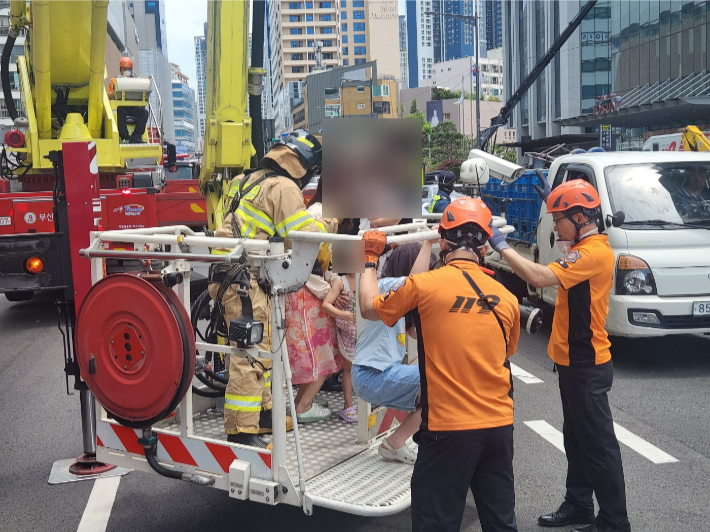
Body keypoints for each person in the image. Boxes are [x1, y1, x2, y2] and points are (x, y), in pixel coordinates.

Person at [360, 197, 521, 532]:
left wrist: (370, 260)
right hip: (498, 428)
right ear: (485, 248)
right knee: (501, 522)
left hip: (449, 429)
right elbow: (508, 350)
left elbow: (368, 308)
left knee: (436, 521)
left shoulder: (426, 286)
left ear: (443, 242)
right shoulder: (506, 298)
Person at [488, 178, 630, 532]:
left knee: (597, 445)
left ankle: (615, 520)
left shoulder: (592, 252)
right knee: (577, 439)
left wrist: (502, 247)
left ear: (580, 216)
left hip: (587, 363)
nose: (554, 226)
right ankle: (579, 504)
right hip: (572, 362)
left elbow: (538, 276)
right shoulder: (581, 246)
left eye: (559, 218)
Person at [209, 129, 330, 449]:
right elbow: (301, 236)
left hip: (229, 275)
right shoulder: (283, 187)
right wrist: (326, 222)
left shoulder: (244, 181)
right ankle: (241, 429)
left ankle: (262, 415)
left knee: (262, 347)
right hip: (244, 280)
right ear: (303, 165)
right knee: (250, 354)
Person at [351, 241, 437, 464]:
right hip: (372, 374)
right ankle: (394, 444)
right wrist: (429, 242)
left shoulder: (398, 300)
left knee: (436, 389)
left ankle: (399, 443)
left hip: (378, 373)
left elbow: (416, 333)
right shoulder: (387, 286)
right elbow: (415, 281)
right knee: (439, 386)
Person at [321, 272, 357, 422]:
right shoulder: (342, 282)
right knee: (348, 369)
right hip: (349, 333)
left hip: (365, 330)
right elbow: (326, 304)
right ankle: (348, 404)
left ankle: (365, 403)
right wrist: (342, 314)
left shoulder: (369, 276)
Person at [107, 57, 149, 144]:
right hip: (121, 107)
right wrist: (116, 89)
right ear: (120, 69)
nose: (126, 71)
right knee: (119, 112)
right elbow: (108, 95)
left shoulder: (136, 81)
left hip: (133, 107)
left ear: (131, 69)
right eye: (124, 69)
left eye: (128, 69)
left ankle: (136, 136)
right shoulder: (114, 80)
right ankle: (124, 137)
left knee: (144, 112)